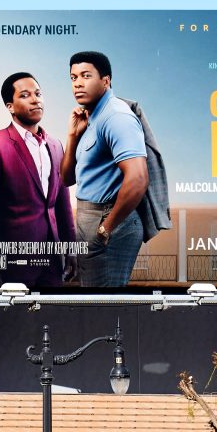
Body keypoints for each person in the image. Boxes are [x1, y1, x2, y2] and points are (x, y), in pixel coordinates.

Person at [0, 71, 75, 287]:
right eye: (25, 95)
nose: (35, 99)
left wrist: (70, 249)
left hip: (52, 259)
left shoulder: (56, 145)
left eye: (38, 93)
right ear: (9, 106)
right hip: (13, 262)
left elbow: (62, 205)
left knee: (50, 318)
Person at [62, 51, 150, 289]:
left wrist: (105, 229)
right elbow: (67, 178)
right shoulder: (92, 119)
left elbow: (138, 178)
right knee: (92, 302)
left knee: (104, 308)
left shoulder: (116, 116)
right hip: (88, 218)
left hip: (108, 220)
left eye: (86, 75)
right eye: (73, 77)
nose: (78, 83)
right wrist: (72, 136)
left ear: (106, 80)